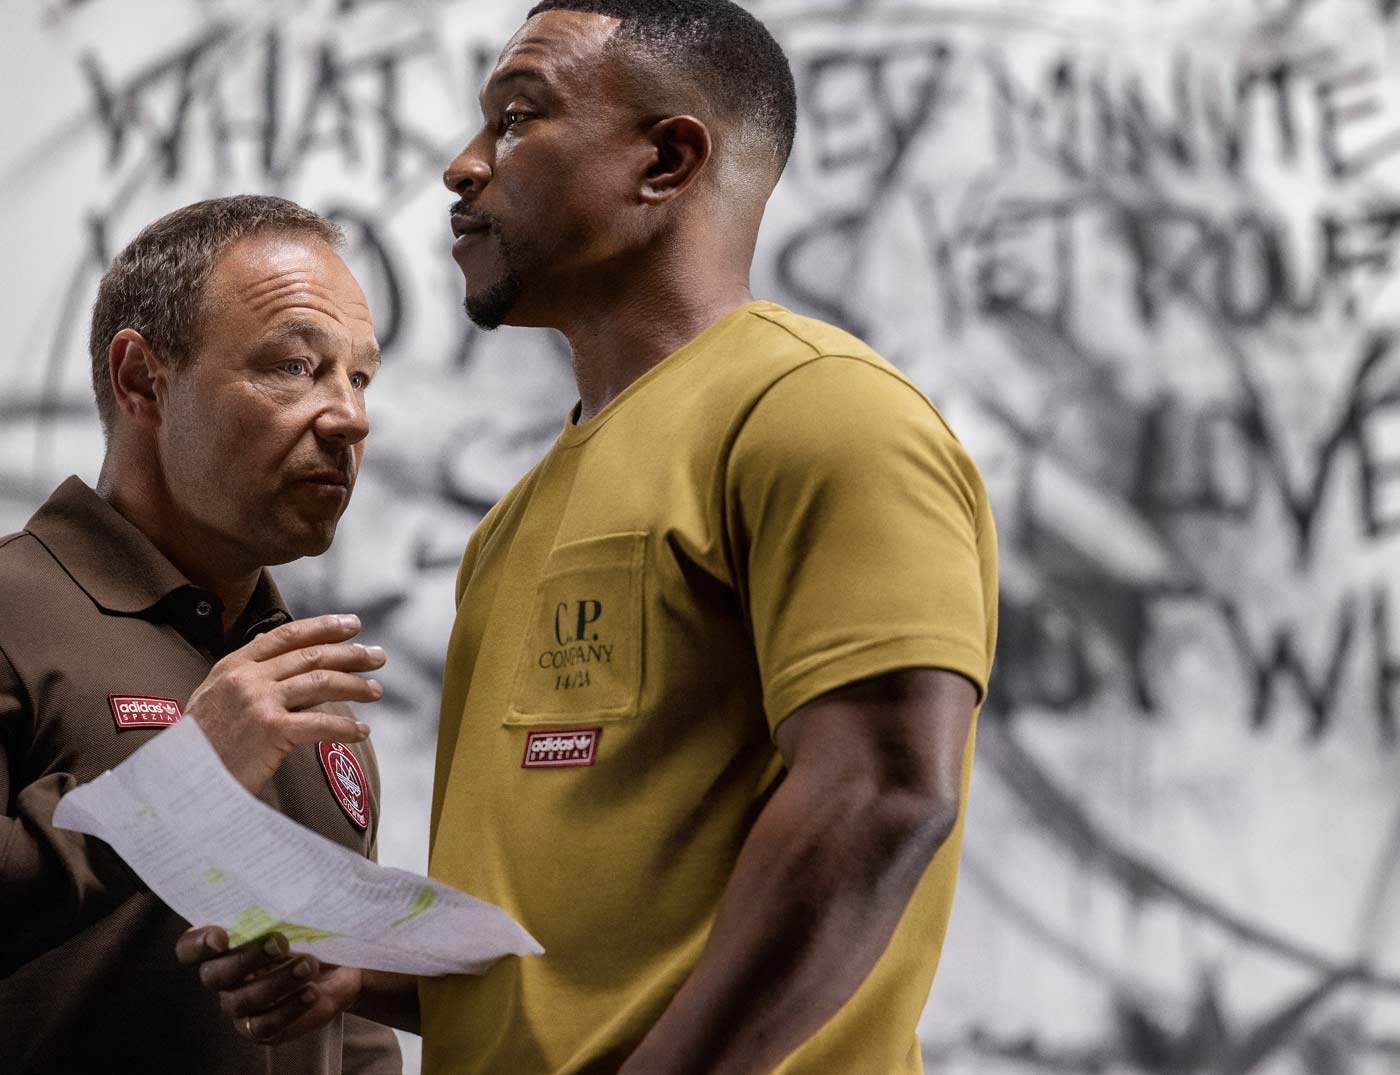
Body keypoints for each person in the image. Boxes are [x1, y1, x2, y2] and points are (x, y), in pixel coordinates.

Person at [183, 2, 998, 1072]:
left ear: (666, 161)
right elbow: (556, 960)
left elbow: (882, 796)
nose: (463, 166)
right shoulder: (513, 524)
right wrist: (359, 971)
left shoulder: (823, 413)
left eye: (517, 119)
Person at [0, 195, 402, 1075]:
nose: (349, 415)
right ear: (142, 380)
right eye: (296, 365)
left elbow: (349, 1031)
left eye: (359, 377)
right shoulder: (9, 611)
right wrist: (180, 780)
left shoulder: (309, 683)